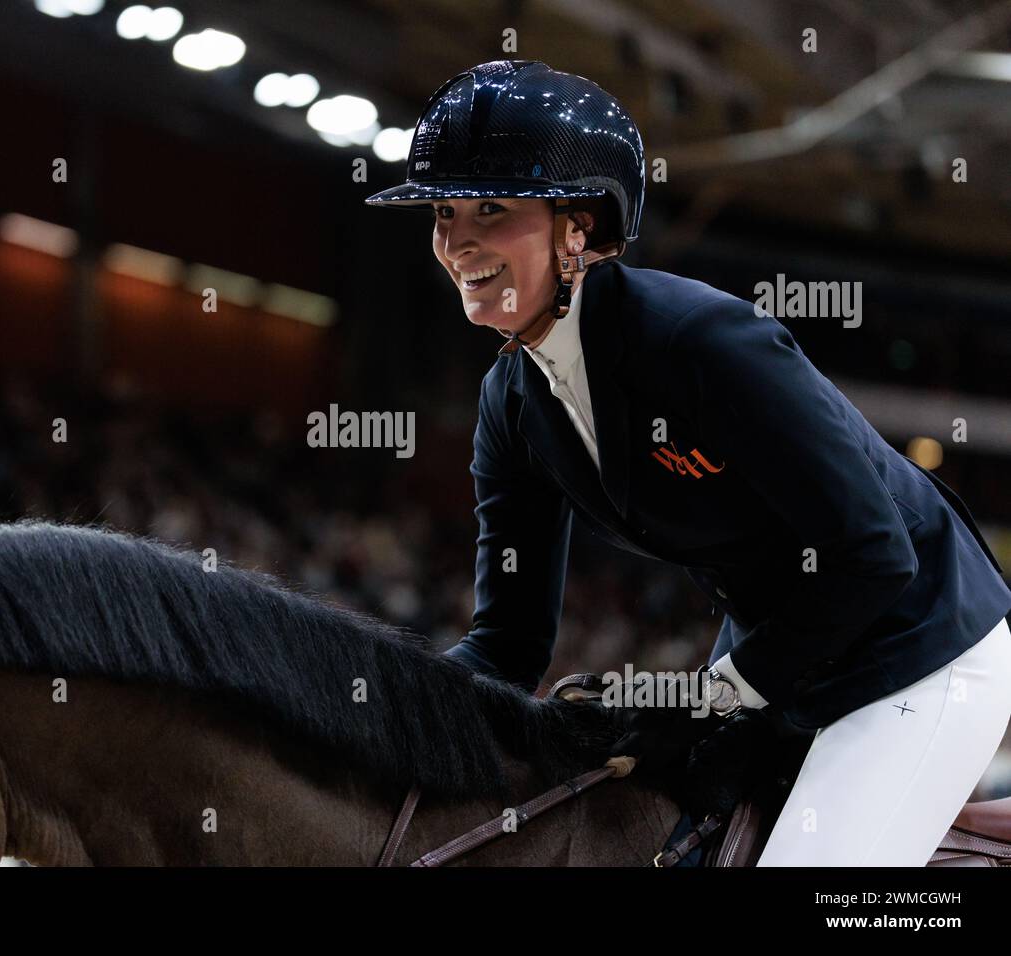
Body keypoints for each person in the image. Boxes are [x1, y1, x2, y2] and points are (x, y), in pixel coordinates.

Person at [365, 59, 1011, 866]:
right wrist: (375, 709)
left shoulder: (706, 344)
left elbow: (875, 554)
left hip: (921, 644)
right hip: (789, 645)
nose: (457, 242)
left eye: (490, 209)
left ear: (579, 228)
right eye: (443, 213)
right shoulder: (510, 402)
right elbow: (507, 643)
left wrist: (715, 696)